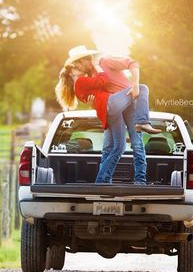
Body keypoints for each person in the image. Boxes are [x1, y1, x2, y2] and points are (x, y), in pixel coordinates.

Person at [55, 45, 161, 184]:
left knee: (127, 145)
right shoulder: (87, 78)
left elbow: (133, 63)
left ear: (86, 60)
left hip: (126, 105)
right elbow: (101, 83)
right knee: (144, 88)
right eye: (76, 66)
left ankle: (114, 180)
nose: (79, 67)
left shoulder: (104, 62)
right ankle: (142, 122)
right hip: (113, 106)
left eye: (78, 64)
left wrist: (134, 85)